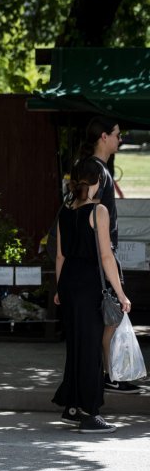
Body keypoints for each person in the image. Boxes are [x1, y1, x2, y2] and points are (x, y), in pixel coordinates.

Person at [52, 158, 131, 433]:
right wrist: (121, 294)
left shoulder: (64, 210)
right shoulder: (99, 211)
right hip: (89, 284)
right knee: (91, 350)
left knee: (75, 346)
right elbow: (106, 256)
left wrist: (59, 289)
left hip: (70, 283)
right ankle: (90, 412)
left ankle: (72, 406)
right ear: (97, 180)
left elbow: (60, 255)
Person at [77, 116, 139, 394]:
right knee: (112, 315)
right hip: (99, 257)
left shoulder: (99, 168)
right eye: (116, 134)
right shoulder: (93, 169)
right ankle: (110, 375)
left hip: (101, 255)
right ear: (103, 136)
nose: (120, 139)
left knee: (110, 316)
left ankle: (110, 374)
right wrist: (101, 253)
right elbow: (83, 213)